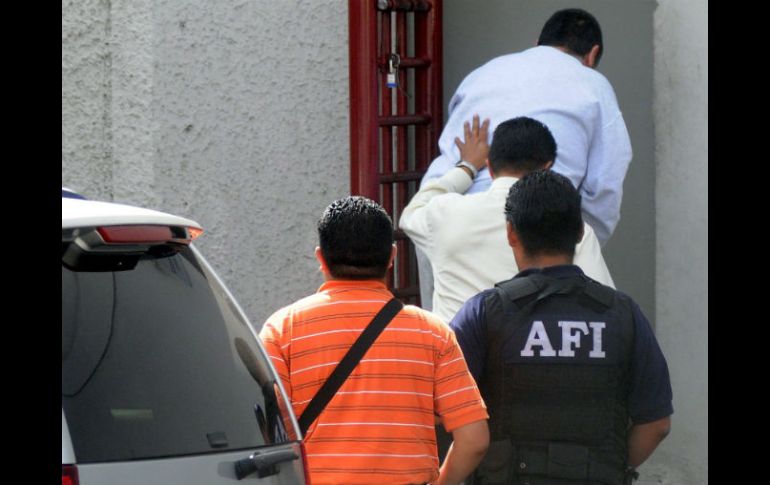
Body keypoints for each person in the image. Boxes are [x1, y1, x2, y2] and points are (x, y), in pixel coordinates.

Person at [450, 171, 672, 485]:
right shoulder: (623, 314)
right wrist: (608, 468)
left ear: (511, 233)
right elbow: (657, 424)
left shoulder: (482, 313)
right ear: (581, 232)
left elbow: (439, 412)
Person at [259, 196, 490, 485]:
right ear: (392, 256)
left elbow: (266, 431)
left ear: (321, 258)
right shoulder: (433, 332)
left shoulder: (282, 329)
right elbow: (474, 440)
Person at [422, 8, 631, 246]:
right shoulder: (595, 86)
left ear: (537, 44)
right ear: (592, 55)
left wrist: (466, 169)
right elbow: (605, 185)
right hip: (542, 233)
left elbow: (447, 158)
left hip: (456, 222)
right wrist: (580, 246)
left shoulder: (484, 73)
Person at [400, 115, 614, 324]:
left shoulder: (445, 213)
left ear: (490, 167)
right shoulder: (569, 227)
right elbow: (604, 304)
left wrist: (467, 167)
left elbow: (412, 212)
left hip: (458, 355)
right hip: (536, 352)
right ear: (547, 167)